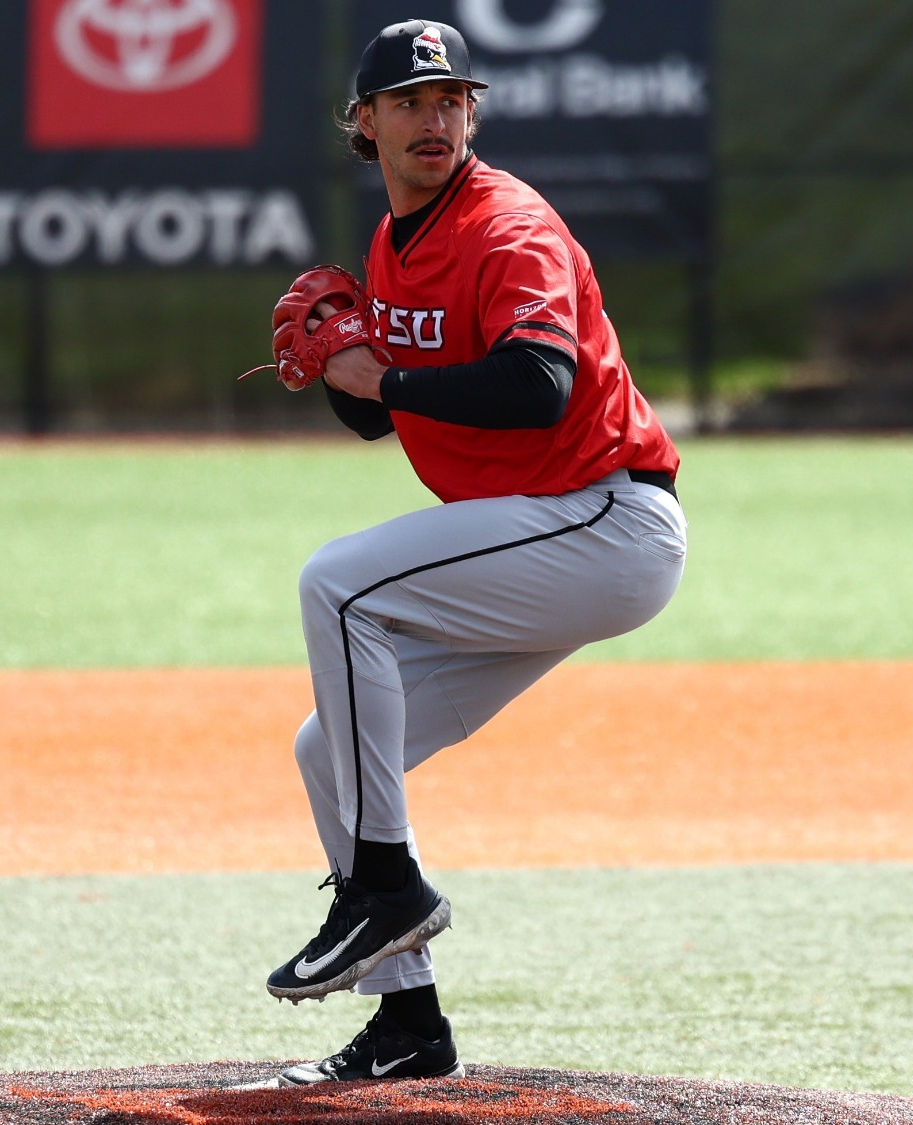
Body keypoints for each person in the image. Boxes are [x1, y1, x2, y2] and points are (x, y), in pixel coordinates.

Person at [261, 18, 687, 1087]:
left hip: (603, 517)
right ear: (362, 125)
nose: (432, 118)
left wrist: (380, 380)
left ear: (472, 115)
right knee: (332, 753)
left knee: (339, 584)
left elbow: (534, 385)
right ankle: (408, 1027)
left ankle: (387, 890)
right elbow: (381, 419)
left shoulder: (508, 226)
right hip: (531, 538)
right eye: (406, 102)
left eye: (450, 99)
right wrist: (342, 371)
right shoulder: (394, 245)